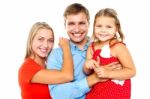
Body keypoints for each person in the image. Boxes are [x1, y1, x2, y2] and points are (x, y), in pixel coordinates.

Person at [47, 3, 121, 99]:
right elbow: (57, 94)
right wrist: (94, 79)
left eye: (81, 23)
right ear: (64, 25)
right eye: (71, 23)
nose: (77, 29)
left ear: (89, 24)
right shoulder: (56, 55)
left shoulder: (106, 47)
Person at [84, 8, 136, 99]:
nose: (103, 30)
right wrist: (87, 65)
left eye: (108, 27)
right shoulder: (91, 48)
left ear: (116, 28)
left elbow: (131, 71)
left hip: (116, 93)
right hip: (96, 92)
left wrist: (108, 73)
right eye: (99, 26)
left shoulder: (118, 47)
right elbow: (87, 72)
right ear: (93, 27)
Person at [18, 22, 74, 99]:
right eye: (41, 39)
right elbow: (68, 76)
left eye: (50, 40)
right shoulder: (27, 68)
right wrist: (66, 47)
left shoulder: (49, 65)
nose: (46, 45)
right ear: (31, 41)